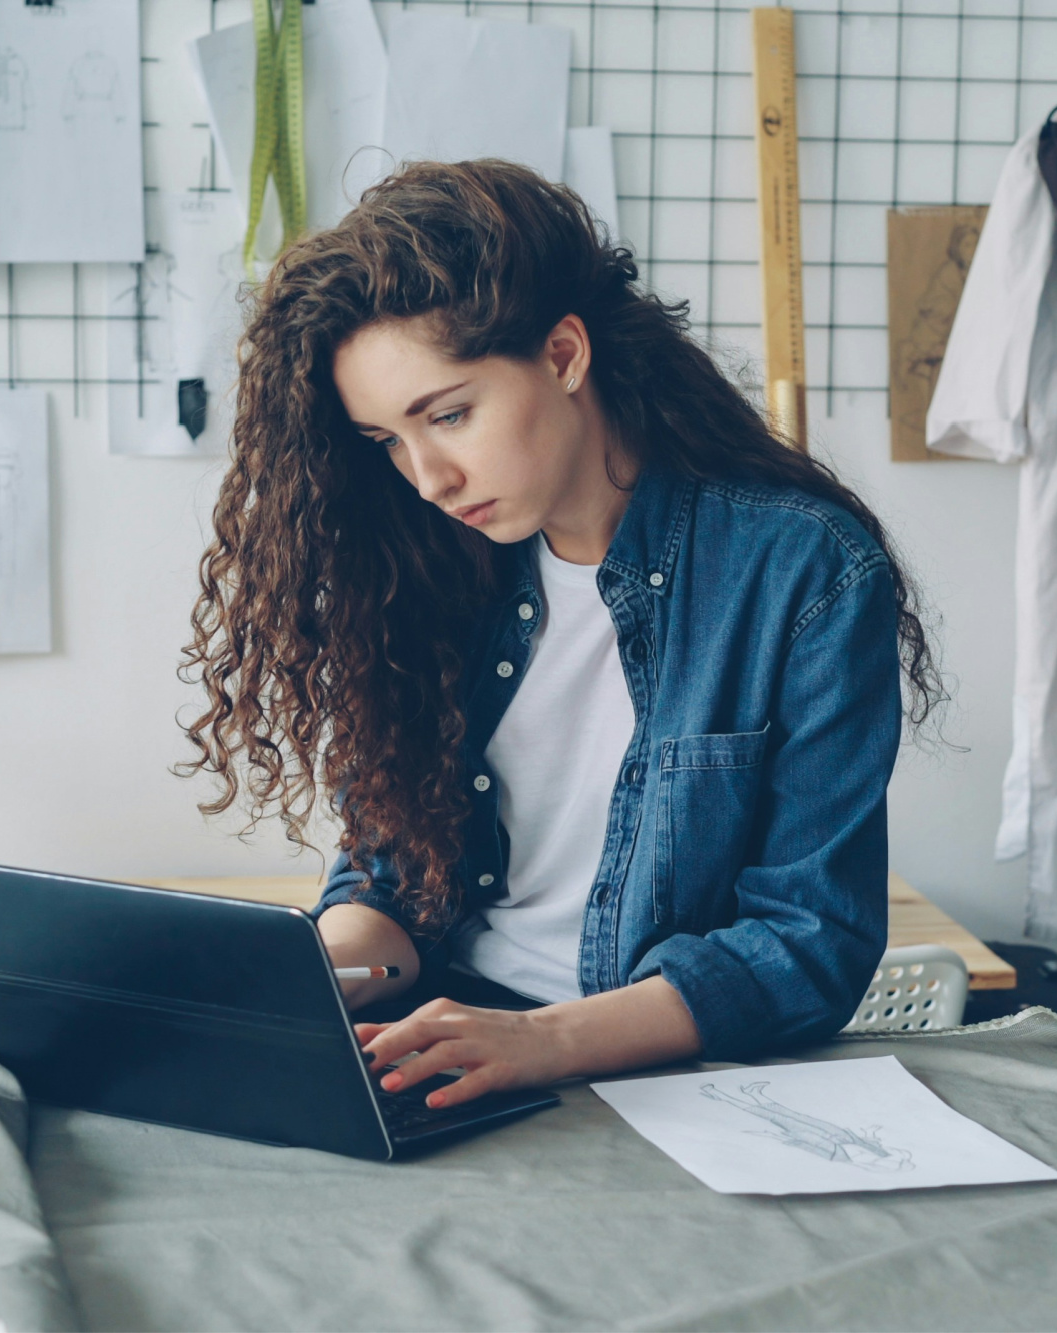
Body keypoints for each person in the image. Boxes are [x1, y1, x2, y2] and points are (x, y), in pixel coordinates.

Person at [180, 159, 940, 1112]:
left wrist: (541, 1041)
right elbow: (390, 878)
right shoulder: (428, 564)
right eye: (388, 442)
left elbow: (806, 944)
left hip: (660, 1080)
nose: (428, 478)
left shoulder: (802, 570)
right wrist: (320, 973)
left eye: (449, 415)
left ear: (565, 354)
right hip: (448, 1043)